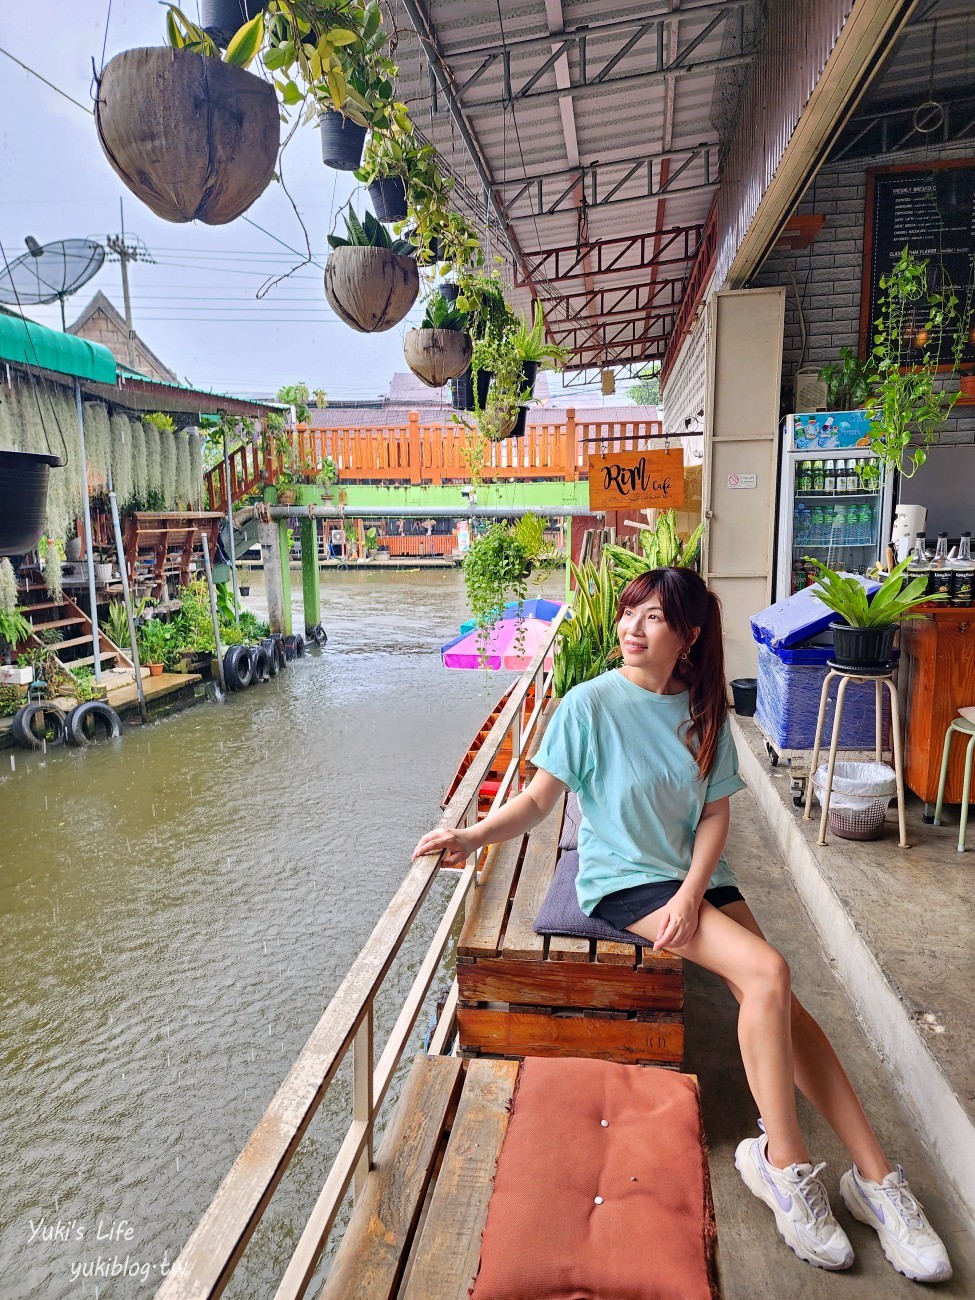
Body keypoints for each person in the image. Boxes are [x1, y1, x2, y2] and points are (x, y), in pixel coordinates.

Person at [413, 566, 951, 1284]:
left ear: (687, 637)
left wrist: (693, 892)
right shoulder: (587, 705)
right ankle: (783, 1164)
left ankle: (875, 1179)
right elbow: (540, 802)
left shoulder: (701, 709)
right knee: (766, 972)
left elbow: (713, 812)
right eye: (628, 613)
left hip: (691, 876)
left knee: (777, 1003)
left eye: (653, 618)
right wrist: (473, 835)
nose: (632, 629)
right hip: (625, 881)